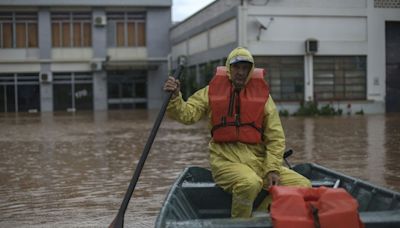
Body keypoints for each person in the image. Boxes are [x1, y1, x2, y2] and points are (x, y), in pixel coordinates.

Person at [163, 47, 311, 218]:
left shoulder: (263, 98)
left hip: (258, 161)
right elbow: (187, 114)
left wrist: (272, 169)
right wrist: (175, 97)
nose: (241, 72)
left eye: (245, 68)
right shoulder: (211, 91)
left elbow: (275, 138)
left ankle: (258, 217)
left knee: (302, 184)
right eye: (236, 67)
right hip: (225, 161)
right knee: (250, 182)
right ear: (229, 68)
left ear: (250, 70)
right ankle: (239, 223)